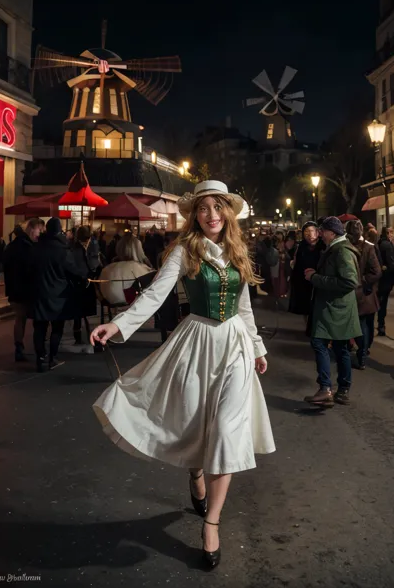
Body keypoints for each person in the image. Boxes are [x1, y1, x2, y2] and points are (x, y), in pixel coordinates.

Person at [90, 180, 275, 569]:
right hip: (197, 343)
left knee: (227, 432)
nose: (212, 216)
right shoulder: (183, 251)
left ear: (228, 212)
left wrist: (257, 347)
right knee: (195, 427)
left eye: (218, 208)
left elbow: (244, 308)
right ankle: (196, 472)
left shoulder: (238, 250)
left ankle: (211, 523)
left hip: (235, 348)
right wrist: (118, 326)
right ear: (194, 215)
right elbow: (156, 295)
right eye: (204, 209)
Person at [304, 217, 361, 406]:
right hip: (336, 308)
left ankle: (326, 389)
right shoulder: (336, 249)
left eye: (323, 230)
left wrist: (316, 278)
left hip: (335, 308)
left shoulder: (341, 251)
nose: (320, 233)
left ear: (332, 233)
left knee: (319, 342)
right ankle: (342, 390)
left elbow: (350, 281)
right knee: (340, 348)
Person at [28, 217, 88, 372]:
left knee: (39, 328)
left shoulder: (36, 248)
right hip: (58, 295)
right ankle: (52, 358)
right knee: (57, 327)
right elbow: (73, 271)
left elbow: (28, 270)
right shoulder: (63, 250)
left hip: (39, 293)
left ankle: (40, 358)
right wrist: (84, 278)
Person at [3, 218, 45, 361]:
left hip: (14, 289)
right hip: (26, 289)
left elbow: (6, 268)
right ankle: (35, 349)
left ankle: (19, 347)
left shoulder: (12, 246)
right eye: (39, 230)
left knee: (19, 319)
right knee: (31, 319)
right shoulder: (29, 247)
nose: (40, 234)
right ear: (32, 229)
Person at [345, 220, 382, 369]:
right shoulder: (368, 247)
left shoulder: (351, 247)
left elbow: (377, 272)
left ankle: (362, 355)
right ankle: (364, 352)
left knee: (361, 326)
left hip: (358, 293)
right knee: (367, 324)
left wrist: (360, 280)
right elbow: (377, 272)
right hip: (367, 294)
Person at [288, 221, 324, 335]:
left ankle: (317, 329)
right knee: (305, 306)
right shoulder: (301, 247)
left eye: (311, 231)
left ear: (317, 232)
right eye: (306, 232)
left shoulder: (323, 246)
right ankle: (309, 328)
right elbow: (296, 263)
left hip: (319, 281)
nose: (309, 234)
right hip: (303, 281)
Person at [71, 226, 99, 345]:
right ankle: (78, 335)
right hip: (79, 282)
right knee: (78, 312)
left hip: (89, 281)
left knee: (86, 312)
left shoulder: (92, 246)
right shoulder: (74, 249)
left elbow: (95, 261)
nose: (86, 242)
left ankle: (87, 335)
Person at [377, 226, 394, 336]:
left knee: (380, 301)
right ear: (388, 233)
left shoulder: (379, 243)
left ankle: (380, 324)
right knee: (383, 303)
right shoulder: (387, 245)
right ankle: (381, 325)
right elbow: (391, 263)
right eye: (391, 232)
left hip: (380, 278)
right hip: (386, 278)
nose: (393, 235)